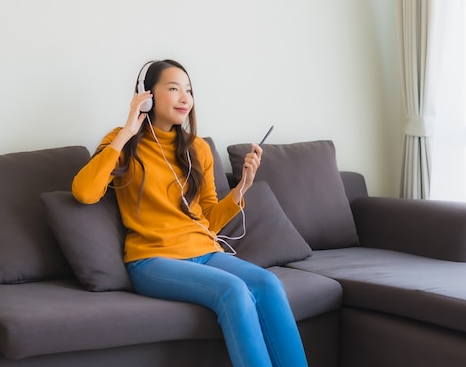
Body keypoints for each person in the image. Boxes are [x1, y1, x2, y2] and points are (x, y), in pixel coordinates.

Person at [71, 59, 309, 367]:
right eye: (173, 89)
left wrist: (242, 189)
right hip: (152, 258)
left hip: (205, 251)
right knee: (234, 290)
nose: (185, 98)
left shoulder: (198, 148)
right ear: (148, 95)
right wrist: (129, 129)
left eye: (189, 90)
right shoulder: (124, 142)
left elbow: (208, 218)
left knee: (268, 284)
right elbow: (84, 192)